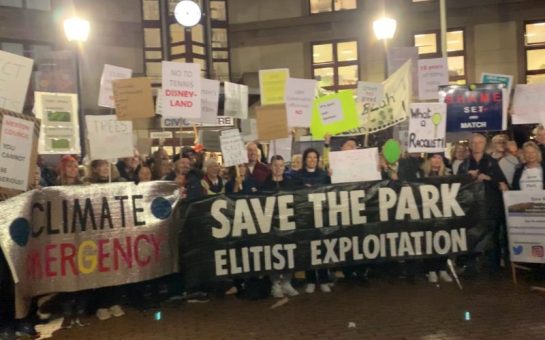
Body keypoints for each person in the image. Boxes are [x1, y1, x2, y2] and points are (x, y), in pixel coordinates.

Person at [459, 133, 509, 275]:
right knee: (471, 236)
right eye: (474, 143)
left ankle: (494, 267)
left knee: (492, 238)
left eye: (480, 142)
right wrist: (467, 177)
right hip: (472, 209)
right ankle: (471, 266)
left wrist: (487, 178)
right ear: (470, 145)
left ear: (484, 144)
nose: (477, 145)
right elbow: (457, 186)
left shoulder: (492, 162)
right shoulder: (464, 164)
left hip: (490, 207)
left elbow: (502, 184)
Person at [293, 148, 332, 293]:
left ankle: (323, 279)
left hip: (321, 216)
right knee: (308, 249)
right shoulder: (298, 176)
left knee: (322, 247)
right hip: (305, 219)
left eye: (315, 158)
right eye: (309, 157)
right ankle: (310, 279)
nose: (312, 160)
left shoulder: (323, 175)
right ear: (305, 159)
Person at [261, 156, 299, 298]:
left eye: (281, 165)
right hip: (272, 226)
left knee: (289, 253)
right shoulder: (264, 185)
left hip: (288, 224)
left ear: (284, 167)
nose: (278, 168)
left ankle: (287, 282)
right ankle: (275, 283)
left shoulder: (290, 183)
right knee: (274, 254)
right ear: (271, 167)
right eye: (275, 165)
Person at [420, 153, 454, 284]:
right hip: (427, 213)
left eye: (439, 158)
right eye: (433, 157)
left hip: (444, 212)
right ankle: (431, 270)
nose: (436, 160)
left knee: (443, 240)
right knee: (429, 240)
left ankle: (442, 268)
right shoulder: (422, 174)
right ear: (429, 160)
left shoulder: (449, 174)